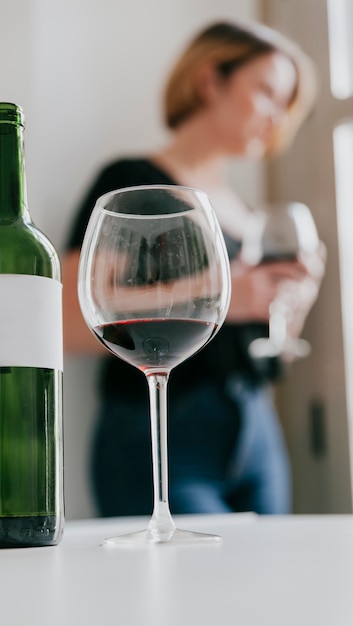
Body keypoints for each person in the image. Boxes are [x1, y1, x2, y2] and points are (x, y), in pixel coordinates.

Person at [62, 19, 325, 517]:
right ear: (210, 80)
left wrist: (291, 303)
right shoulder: (132, 183)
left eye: (286, 103)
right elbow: (68, 321)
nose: (278, 117)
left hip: (258, 431)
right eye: (268, 92)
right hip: (160, 432)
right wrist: (224, 292)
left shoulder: (246, 211)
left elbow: (267, 352)